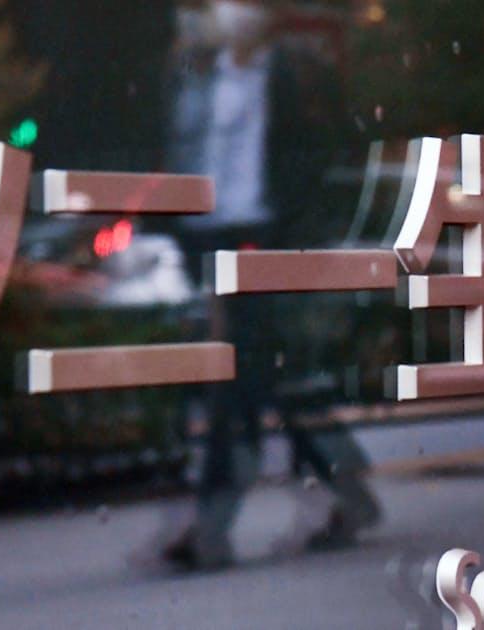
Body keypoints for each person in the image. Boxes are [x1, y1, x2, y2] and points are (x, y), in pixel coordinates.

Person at [162, 0, 379, 569]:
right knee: (273, 381)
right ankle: (351, 491)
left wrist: (299, 234)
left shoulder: (294, 72)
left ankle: (210, 528)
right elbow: (183, 158)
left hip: (269, 242)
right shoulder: (196, 77)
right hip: (216, 241)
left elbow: (324, 152)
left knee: (239, 380)